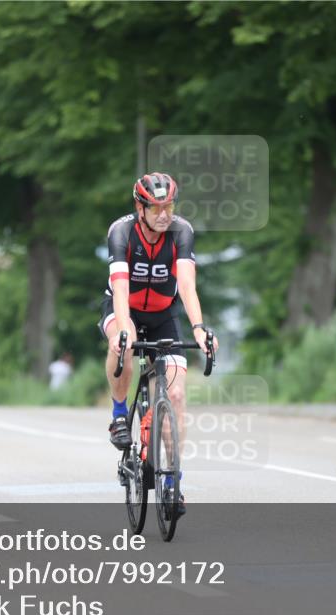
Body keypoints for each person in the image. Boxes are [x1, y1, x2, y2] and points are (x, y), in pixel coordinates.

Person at [98, 172, 219, 516]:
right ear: (140, 207)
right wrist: (124, 329)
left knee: (176, 396)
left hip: (164, 314)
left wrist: (198, 328)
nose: (164, 214)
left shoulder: (181, 231)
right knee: (122, 343)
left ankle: (172, 483)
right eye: (156, 208)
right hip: (125, 309)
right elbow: (120, 289)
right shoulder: (121, 232)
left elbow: (186, 284)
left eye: (169, 206)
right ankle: (120, 414)